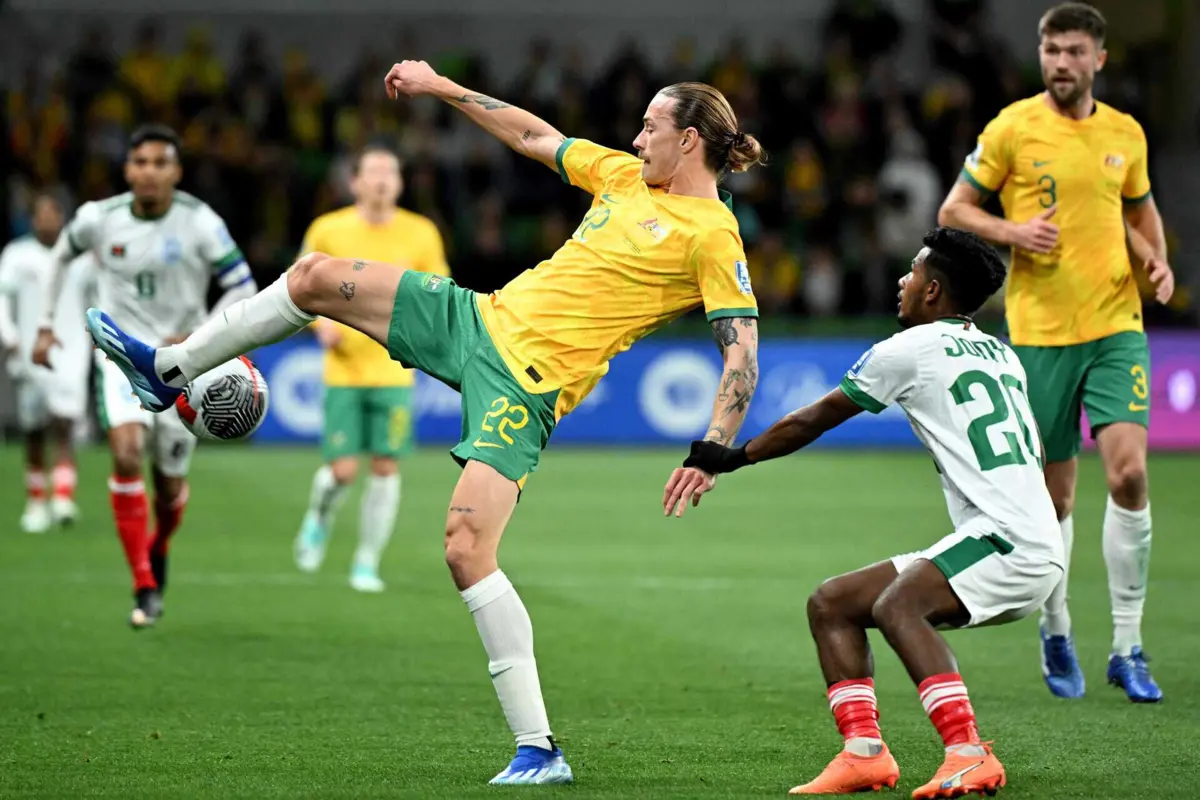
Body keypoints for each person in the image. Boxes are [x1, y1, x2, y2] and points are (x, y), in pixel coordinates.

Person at [85, 63, 766, 784]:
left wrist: (713, 447)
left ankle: (538, 749)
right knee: (313, 274)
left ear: (689, 141)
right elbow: (534, 135)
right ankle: (168, 371)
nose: (634, 139)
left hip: (526, 389)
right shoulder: (626, 178)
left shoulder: (712, 236)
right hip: (476, 318)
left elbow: (742, 353)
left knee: (465, 548)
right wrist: (441, 87)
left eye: (650, 129)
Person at [673, 228, 1060, 797]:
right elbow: (1038, 452)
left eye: (913, 271)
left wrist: (729, 457)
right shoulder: (1000, 352)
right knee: (833, 604)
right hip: (1022, 535)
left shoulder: (907, 349)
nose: (903, 280)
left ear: (933, 291)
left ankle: (968, 750)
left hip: (1007, 541)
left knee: (899, 604)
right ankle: (864, 753)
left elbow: (816, 418)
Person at [937, 2, 1172, 702]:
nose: (1060, 63)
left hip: (1115, 325)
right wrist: (1011, 233)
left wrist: (1156, 260)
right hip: (1039, 335)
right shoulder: (1012, 127)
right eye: (1051, 50)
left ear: (1099, 59)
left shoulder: (1124, 133)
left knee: (1128, 474)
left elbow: (1137, 207)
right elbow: (954, 210)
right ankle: (1057, 627)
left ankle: (1128, 647)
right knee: (1053, 498)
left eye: (1073, 51)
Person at [33, 124, 259, 629]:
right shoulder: (99, 218)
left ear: (176, 172)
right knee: (126, 452)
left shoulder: (200, 222)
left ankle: (159, 546)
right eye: (141, 162)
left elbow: (243, 283)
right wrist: (46, 325)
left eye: (161, 163)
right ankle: (143, 581)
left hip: (185, 367)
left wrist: (200, 336)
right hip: (122, 359)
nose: (150, 171)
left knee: (169, 487)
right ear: (128, 169)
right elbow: (58, 257)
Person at [293, 142, 451, 593]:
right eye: (374, 172)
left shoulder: (421, 233)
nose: (382, 180)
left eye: (390, 172)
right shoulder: (328, 229)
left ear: (400, 183)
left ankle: (366, 561)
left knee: (385, 468)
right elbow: (299, 285)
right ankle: (319, 517)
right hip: (343, 370)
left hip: (393, 370)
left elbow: (440, 289)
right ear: (355, 180)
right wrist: (320, 323)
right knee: (342, 471)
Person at [0, 192, 93, 533]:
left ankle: (63, 496)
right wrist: (8, 335)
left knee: (65, 423)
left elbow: (98, 298)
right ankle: (36, 501)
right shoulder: (17, 255)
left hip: (71, 352)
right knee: (34, 432)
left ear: (62, 217)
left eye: (52, 213)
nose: (46, 220)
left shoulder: (79, 258)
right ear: (32, 219)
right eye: (39, 214)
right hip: (29, 354)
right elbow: (1, 298)